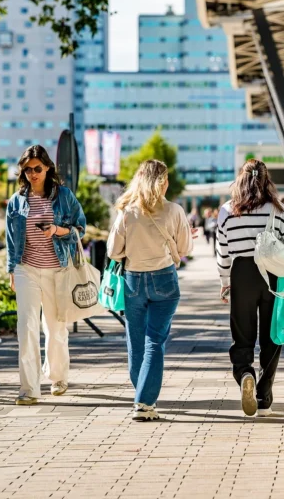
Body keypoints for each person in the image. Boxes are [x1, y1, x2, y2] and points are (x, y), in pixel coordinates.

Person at [107, 160, 193, 421]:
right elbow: (185, 249)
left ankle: (142, 396)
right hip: (164, 279)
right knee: (155, 340)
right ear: (163, 182)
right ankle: (144, 401)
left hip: (133, 280)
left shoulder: (127, 212)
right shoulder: (174, 210)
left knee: (135, 340)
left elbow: (113, 251)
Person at [217, 159, 284, 417]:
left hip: (241, 274)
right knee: (272, 336)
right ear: (267, 181)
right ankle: (264, 395)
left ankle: (245, 373)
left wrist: (224, 282)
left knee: (242, 336)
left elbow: (223, 252)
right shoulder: (278, 209)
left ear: (240, 180)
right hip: (273, 276)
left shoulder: (227, 210)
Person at [5, 145, 86, 406]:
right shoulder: (17, 201)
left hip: (57, 269)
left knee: (54, 326)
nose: (32, 174)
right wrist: (11, 270)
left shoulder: (63, 196)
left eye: (37, 168)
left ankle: (57, 376)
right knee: (26, 328)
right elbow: (10, 240)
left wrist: (57, 230)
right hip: (26, 268)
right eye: (27, 170)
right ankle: (29, 388)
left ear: (48, 167)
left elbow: (80, 228)